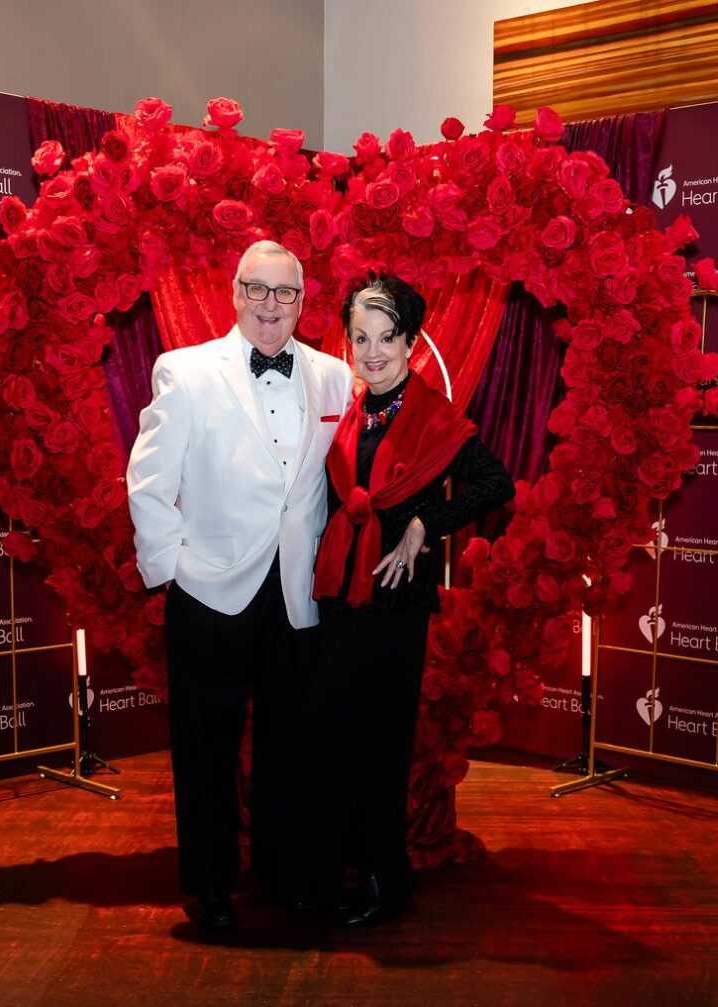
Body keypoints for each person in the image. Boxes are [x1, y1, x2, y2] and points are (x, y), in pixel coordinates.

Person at [127, 240, 354, 930]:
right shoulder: (187, 371)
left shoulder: (334, 377)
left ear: (304, 301)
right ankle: (210, 887)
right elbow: (148, 482)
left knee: (294, 748)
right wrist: (176, 571)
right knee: (205, 750)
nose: (270, 305)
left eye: (285, 293)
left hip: (297, 593)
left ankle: (292, 878)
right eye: (258, 289)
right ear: (234, 292)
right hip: (209, 591)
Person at [310, 273, 515, 927]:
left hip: (395, 605)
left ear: (410, 341)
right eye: (360, 338)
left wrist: (428, 521)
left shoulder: (432, 414)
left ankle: (385, 877)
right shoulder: (355, 409)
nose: (372, 352)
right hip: (343, 595)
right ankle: (351, 863)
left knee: (382, 743)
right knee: (339, 735)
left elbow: (495, 482)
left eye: (386, 338)